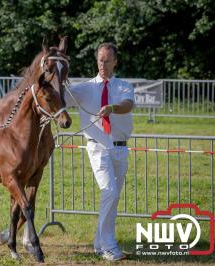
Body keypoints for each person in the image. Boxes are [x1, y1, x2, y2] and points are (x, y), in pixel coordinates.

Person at [65, 42, 134, 261]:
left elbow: (128, 105)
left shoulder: (124, 86)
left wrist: (112, 108)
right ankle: (109, 247)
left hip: (121, 149)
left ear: (115, 61)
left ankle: (99, 242)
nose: (102, 64)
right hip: (97, 148)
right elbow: (58, 99)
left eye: (106, 60)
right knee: (109, 193)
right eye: (99, 60)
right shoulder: (84, 88)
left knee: (112, 199)